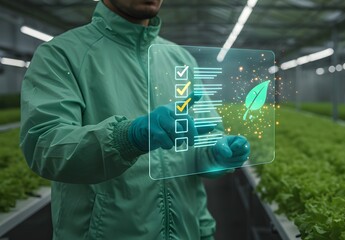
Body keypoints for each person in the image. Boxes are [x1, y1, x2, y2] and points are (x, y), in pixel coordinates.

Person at [19, 0, 250, 239]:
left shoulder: (180, 59)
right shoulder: (62, 54)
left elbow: (204, 137)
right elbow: (44, 147)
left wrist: (216, 153)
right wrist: (127, 137)